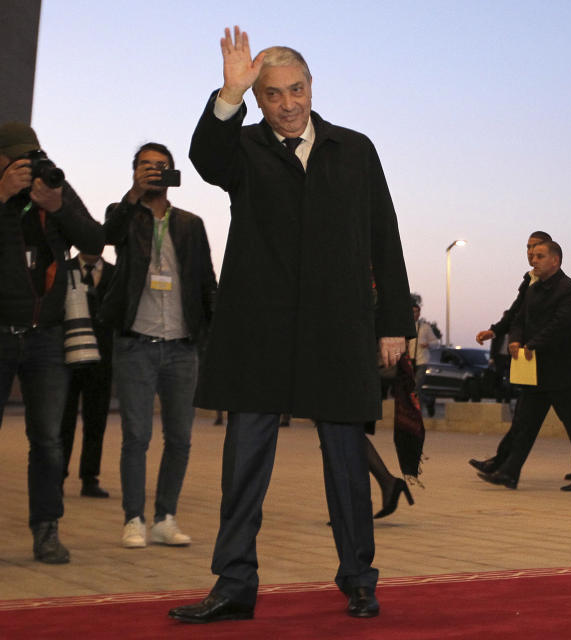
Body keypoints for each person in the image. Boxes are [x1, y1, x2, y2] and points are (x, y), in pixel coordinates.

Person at [169, 27, 413, 624]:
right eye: (272, 94)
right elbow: (205, 157)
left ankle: (358, 578)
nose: (286, 103)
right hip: (260, 331)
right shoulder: (244, 150)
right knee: (244, 464)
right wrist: (227, 94)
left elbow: (385, 234)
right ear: (259, 100)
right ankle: (234, 584)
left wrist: (394, 322)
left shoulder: (355, 149)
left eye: (295, 89)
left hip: (337, 329)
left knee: (347, 464)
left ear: (312, 86)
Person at [101, 142, 218, 549]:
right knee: (136, 436)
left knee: (181, 438)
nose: (154, 172)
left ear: (173, 174)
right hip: (137, 343)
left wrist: (214, 338)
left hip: (183, 346)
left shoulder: (191, 223)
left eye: (161, 167)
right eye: (146, 167)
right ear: (134, 172)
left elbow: (206, 283)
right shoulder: (125, 218)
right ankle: (133, 518)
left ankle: (165, 517)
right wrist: (132, 196)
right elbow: (105, 237)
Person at [0, 121, 105, 564]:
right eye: (18, 158)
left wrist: (59, 207)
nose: (28, 166)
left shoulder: (54, 190)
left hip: (47, 337)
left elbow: (96, 240)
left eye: (33, 156)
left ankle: (47, 531)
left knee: (48, 439)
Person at [471, 232, 571, 482]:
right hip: (537, 368)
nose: (533, 259)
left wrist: (533, 344)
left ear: (555, 260)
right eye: (531, 253)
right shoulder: (532, 288)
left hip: (562, 369)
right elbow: (519, 317)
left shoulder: (570, 290)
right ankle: (509, 472)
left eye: (539, 255)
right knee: (526, 423)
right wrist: (516, 339)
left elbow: (562, 325)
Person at [60, 251, 115, 498]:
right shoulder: (65, 268)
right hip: (68, 355)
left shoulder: (114, 273)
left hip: (102, 358)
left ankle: (90, 477)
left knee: (97, 419)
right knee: (64, 420)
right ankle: (57, 476)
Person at [408, 301, 439, 415]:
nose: (414, 314)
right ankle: (429, 400)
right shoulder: (406, 327)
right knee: (411, 389)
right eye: (412, 312)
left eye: (416, 312)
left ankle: (417, 413)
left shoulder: (425, 327)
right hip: (409, 361)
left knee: (416, 387)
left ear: (419, 313)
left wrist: (428, 344)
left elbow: (436, 342)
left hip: (422, 361)